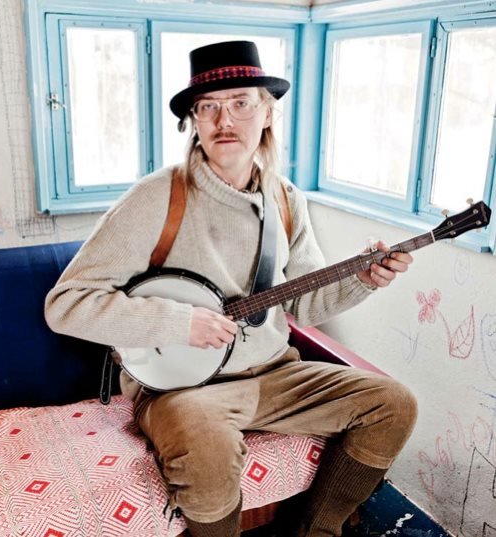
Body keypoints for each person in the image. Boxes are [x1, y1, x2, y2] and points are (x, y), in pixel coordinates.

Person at [45, 40, 417, 537]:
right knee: (205, 446)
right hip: (184, 389)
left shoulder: (286, 199)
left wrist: (363, 281)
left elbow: (304, 306)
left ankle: (316, 530)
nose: (225, 120)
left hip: (275, 374)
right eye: (209, 107)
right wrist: (179, 323)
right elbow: (65, 305)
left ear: (267, 113)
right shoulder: (157, 198)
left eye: (241, 103)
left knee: (394, 404)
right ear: (194, 122)